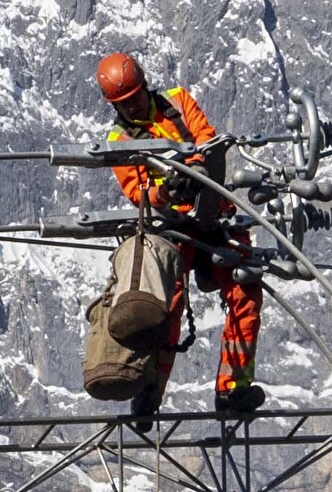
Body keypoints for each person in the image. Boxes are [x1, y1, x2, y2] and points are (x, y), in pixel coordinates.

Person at [82, 51, 267, 415]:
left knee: (245, 289)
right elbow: (138, 193)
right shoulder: (118, 139)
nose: (132, 106)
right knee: (167, 307)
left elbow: (207, 139)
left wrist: (192, 168)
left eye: (134, 97)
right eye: (123, 103)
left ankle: (233, 389)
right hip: (171, 230)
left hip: (214, 216)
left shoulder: (179, 100)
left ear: (145, 86)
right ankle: (149, 392)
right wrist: (165, 192)